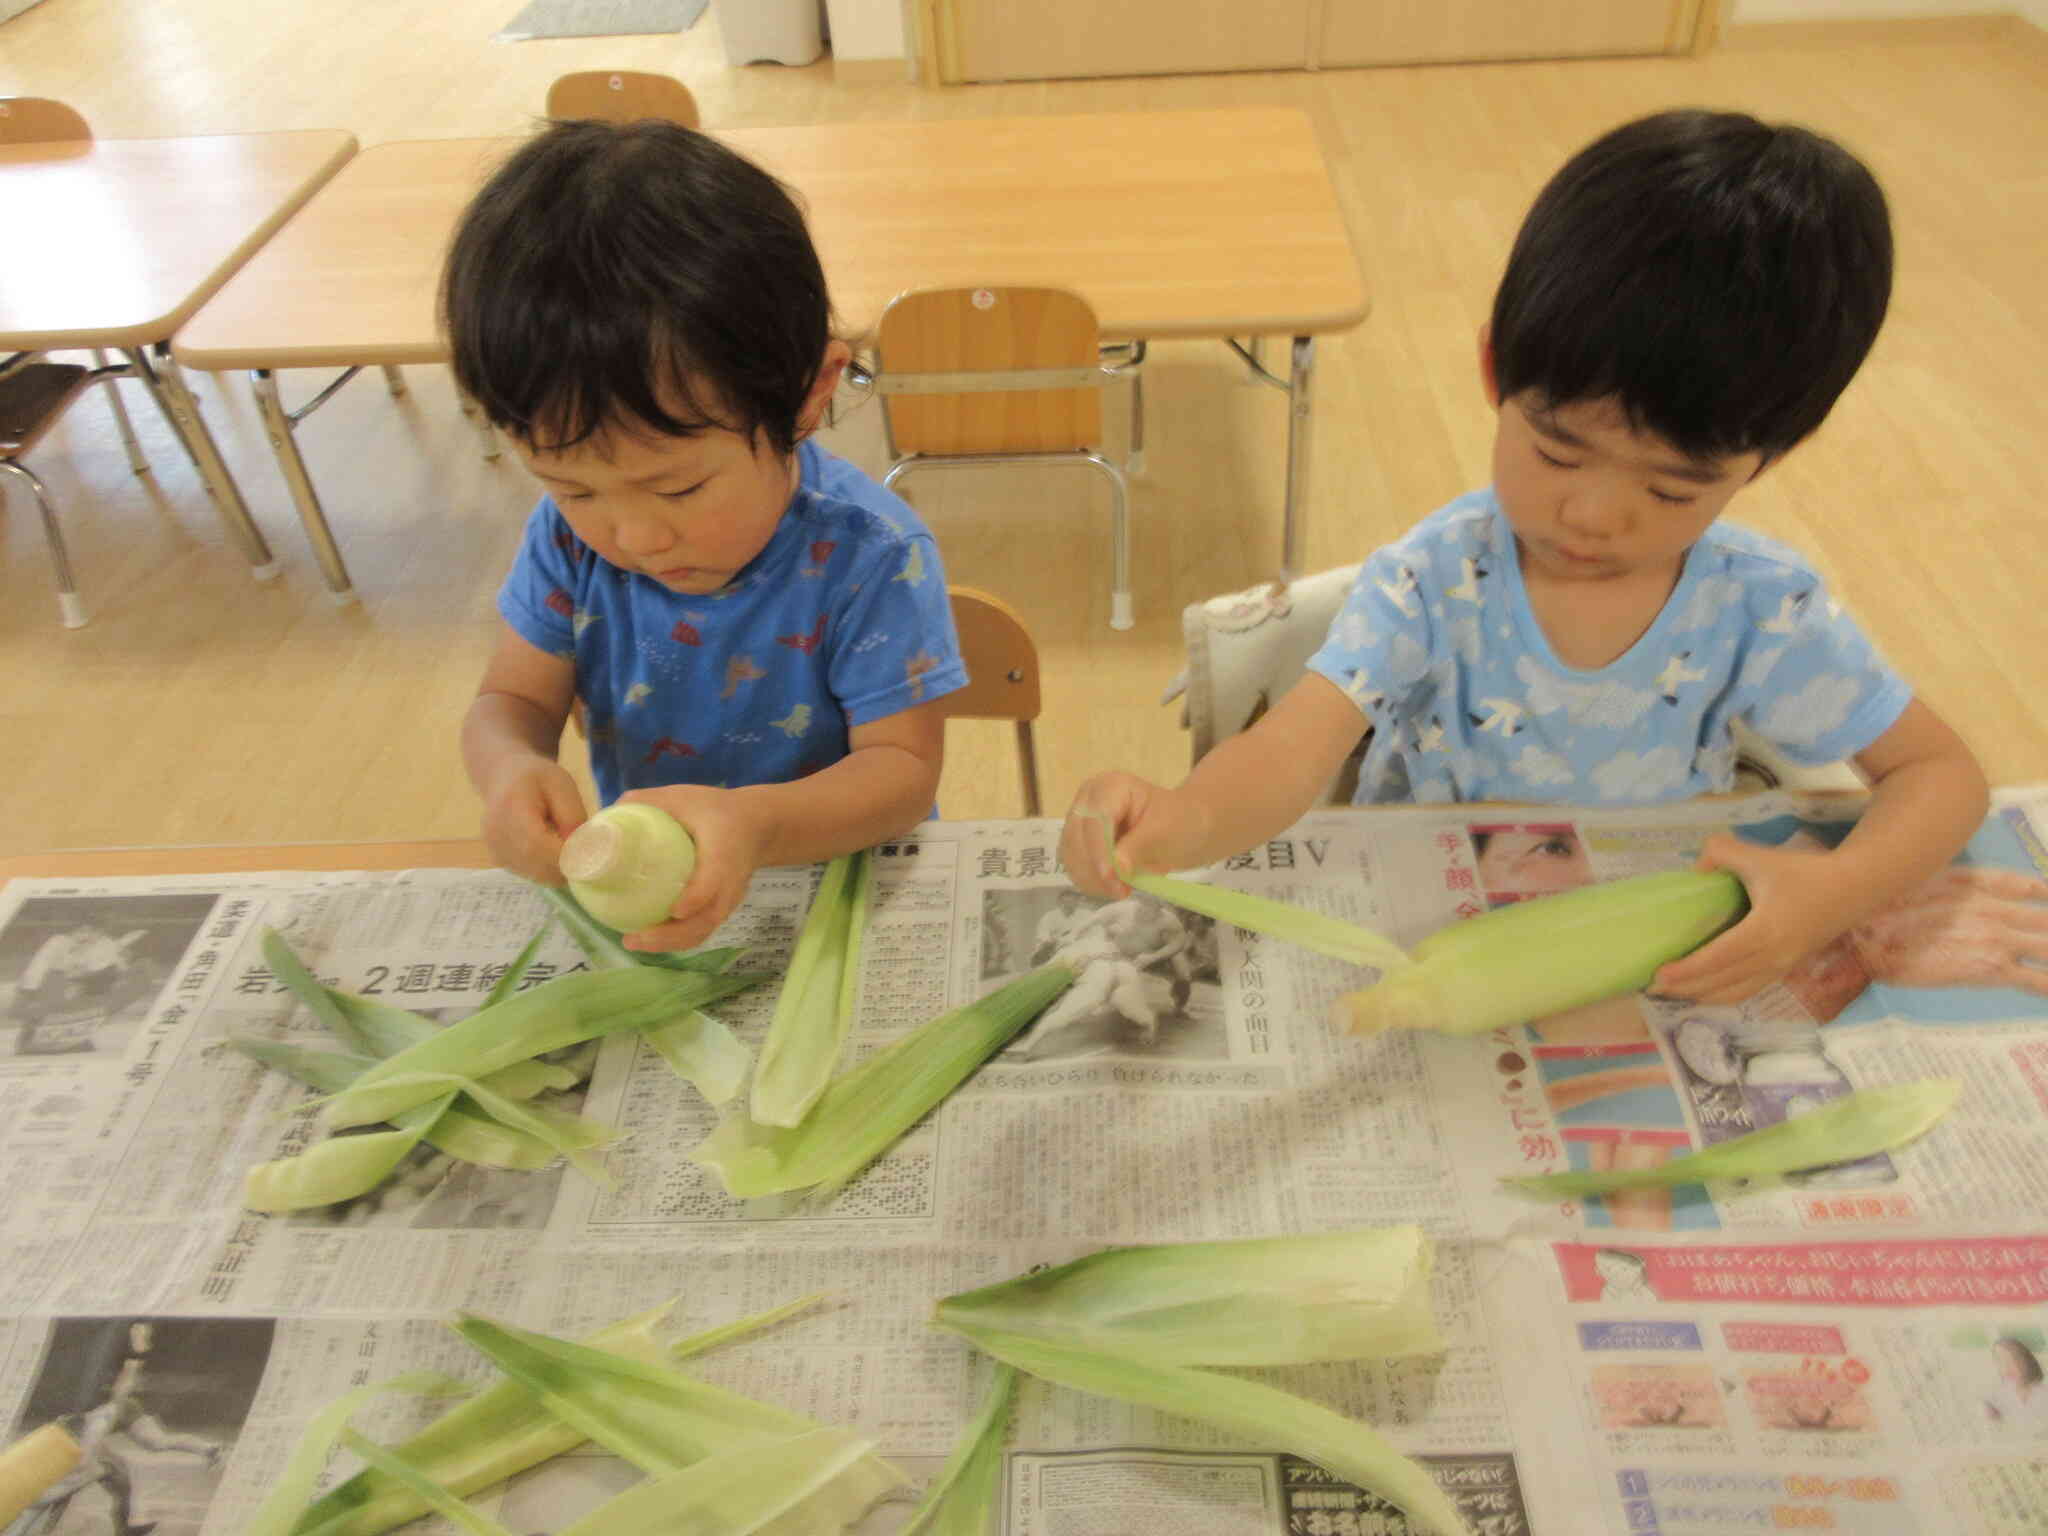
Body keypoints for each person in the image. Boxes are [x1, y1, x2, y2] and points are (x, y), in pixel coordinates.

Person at [1059, 108, 1988, 1005]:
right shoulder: (1435, 580)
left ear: (1766, 460)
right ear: (1495, 371)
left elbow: (1942, 779)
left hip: (1635, 946)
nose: (1592, 516)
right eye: (1556, 450)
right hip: (1426, 935)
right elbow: (1289, 755)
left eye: (1670, 490)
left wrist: (1835, 891)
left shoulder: (1759, 607)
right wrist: (1179, 820)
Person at [446, 120, 967, 953]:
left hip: (846, 888)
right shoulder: (569, 544)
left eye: (678, 486)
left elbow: (901, 776)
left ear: (807, 394)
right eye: (573, 486)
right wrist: (508, 770)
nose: (635, 534)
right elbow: (509, 701)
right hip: (668, 902)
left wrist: (754, 826)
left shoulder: (869, 555)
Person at [7, 1324, 222, 1536]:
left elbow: (124, 1385)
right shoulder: (94, 1404)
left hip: (100, 1425)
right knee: (69, 1491)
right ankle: (122, 1527)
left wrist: (138, 1352)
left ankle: (124, 1528)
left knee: (128, 1464)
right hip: (88, 1436)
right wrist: (138, 1351)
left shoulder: (108, 1400)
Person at [1983, 1336, 2048, 1437]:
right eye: (2000, 1361)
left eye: (2013, 1360)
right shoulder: (1995, 1397)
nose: (2006, 1367)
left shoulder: (2043, 1392)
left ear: (2027, 1361)